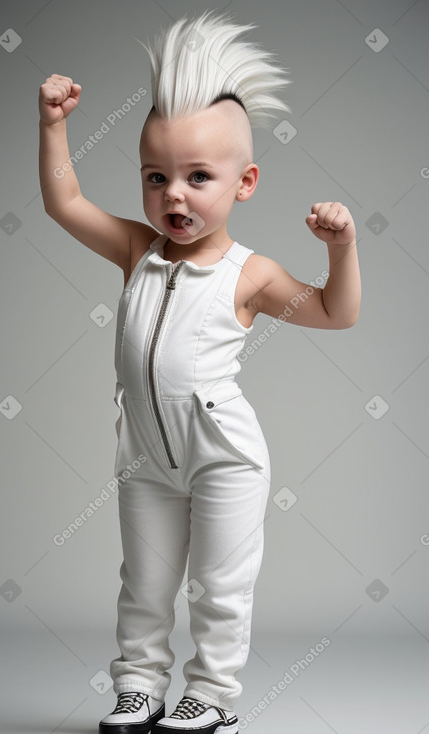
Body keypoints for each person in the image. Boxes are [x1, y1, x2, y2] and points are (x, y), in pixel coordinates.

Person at [38, 10, 361, 734]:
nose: (173, 195)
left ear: (244, 182)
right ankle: (138, 688)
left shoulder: (250, 275)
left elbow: (337, 314)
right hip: (146, 456)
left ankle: (210, 695)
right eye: (156, 177)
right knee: (144, 585)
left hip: (224, 459)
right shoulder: (136, 250)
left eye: (197, 177)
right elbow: (62, 201)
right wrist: (54, 125)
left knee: (217, 587)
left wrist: (341, 248)